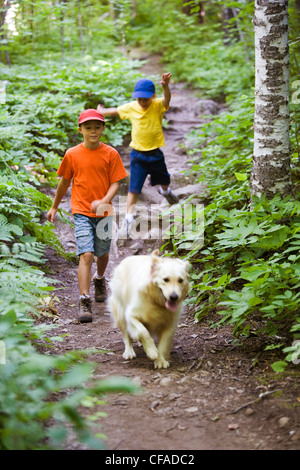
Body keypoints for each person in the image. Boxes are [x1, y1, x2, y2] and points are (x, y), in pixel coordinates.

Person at [47, 109, 127, 323]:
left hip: (104, 211)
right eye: (88, 127)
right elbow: (64, 181)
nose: (93, 131)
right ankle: (84, 298)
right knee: (87, 254)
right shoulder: (72, 154)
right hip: (81, 211)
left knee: (103, 254)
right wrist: (54, 206)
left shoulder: (110, 154)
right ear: (80, 129)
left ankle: (99, 278)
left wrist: (103, 201)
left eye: (97, 127)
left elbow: (116, 182)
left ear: (103, 128)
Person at [97, 73, 178, 237]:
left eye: (145, 99)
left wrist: (165, 86)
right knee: (134, 187)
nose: (142, 102)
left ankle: (166, 192)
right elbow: (116, 111)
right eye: (139, 99)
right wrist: (102, 111)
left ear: (152, 96)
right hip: (138, 156)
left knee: (163, 180)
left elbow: (167, 99)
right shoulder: (132, 106)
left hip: (155, 153)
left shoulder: (157, 105)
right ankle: (128, 217)